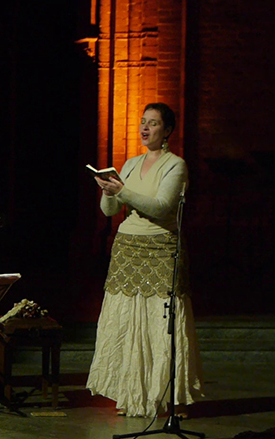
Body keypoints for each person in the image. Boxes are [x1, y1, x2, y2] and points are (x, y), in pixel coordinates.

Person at [86, 102, 204, 417]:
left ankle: (164, 396)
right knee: (127, 321)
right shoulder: (129, 164)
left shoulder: (175, 165)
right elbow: (110, 213)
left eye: (152, 123)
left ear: (166, 131)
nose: (145, 128)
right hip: (127, 248)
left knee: (159, 322)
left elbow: (162, 206)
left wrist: (122, 191)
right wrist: (108, 192)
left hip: (162, 248)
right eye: (143, 122)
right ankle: (131, 394)